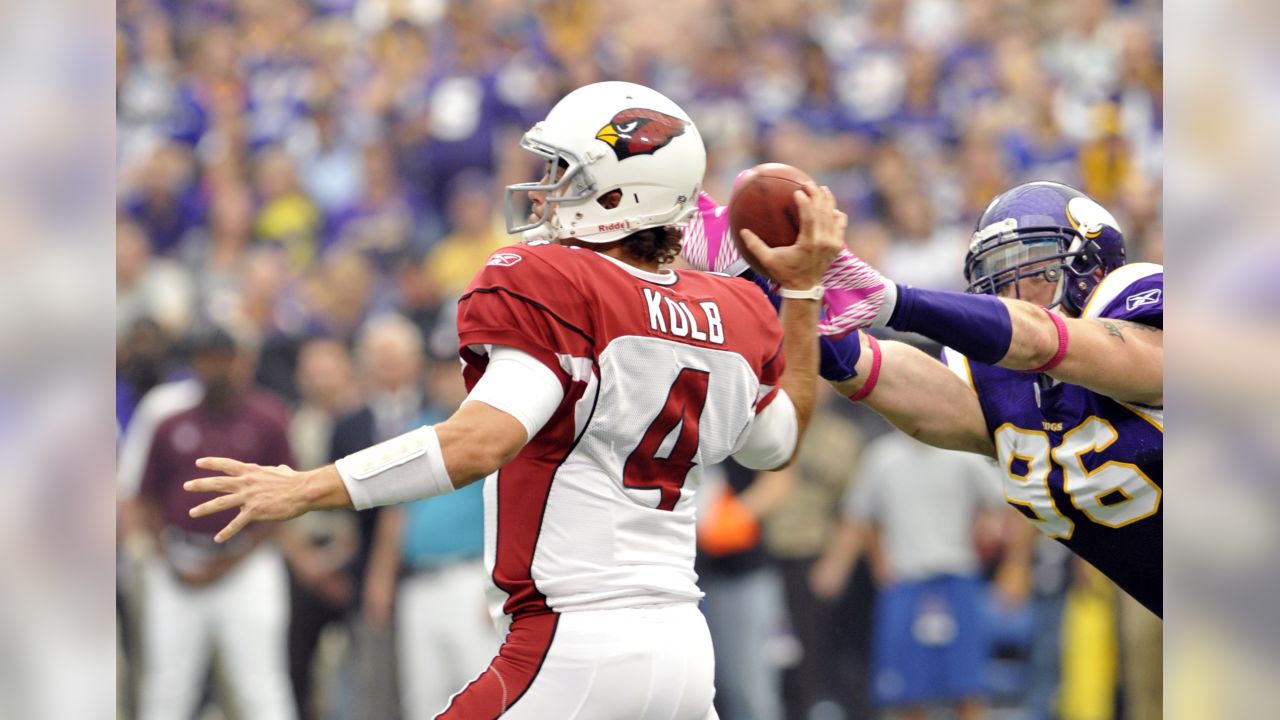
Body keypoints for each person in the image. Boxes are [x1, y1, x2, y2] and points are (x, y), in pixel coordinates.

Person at [184, 81, 847, 719]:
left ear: (619, 194)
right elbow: (779, 440)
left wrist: (309, 487)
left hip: (575, 642)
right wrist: (804, 293)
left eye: (566, 173)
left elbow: (480, 442)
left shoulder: (555, 281)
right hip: (681, 645)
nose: (545, 189)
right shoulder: (730, 306)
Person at [683, 180, 1162, 618]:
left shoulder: (1139, 308)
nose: (1011, 291)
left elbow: (1040, 339)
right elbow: (871, 368)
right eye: (996, 276)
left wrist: (895, 300)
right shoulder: (1006, 387)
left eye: (1031, 268)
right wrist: (775, 286)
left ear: (1088, 266)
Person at [128, 326, 298, 720]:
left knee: (260, 684)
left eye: (223, 357)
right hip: (178, 562)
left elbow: (288, 498)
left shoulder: (268, 417)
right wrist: (165, 557)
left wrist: (231, 562)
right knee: (167, 685)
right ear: (194, 363)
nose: (215, 367)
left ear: (240, 361)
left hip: (247, 562)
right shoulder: (170, 422)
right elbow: (147, 497)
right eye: (206, 358)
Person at [809, 432, 1007, 720]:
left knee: (968, 685)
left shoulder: (964, 452)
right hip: (905, 582)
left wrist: (1006, 554)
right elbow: (860, 515)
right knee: (907, 689)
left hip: (957, 577)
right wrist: (838, 564)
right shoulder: (882, 456)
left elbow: (1003, 505)